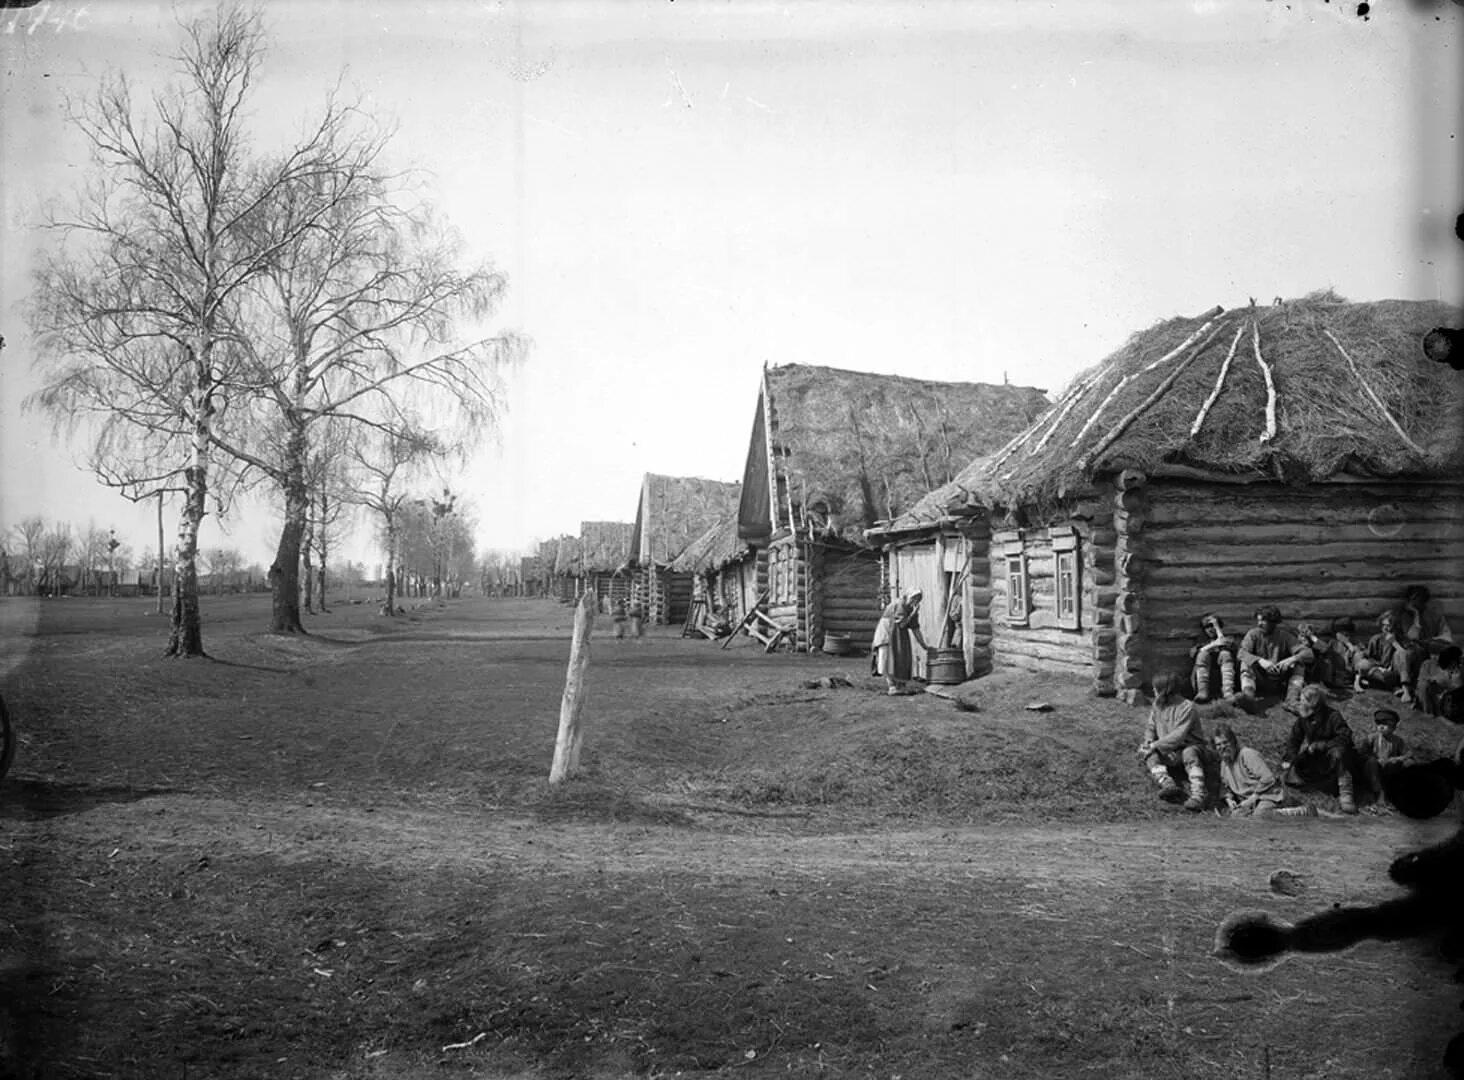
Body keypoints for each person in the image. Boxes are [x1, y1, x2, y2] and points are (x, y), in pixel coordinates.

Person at [1280, 684, 1357, 814]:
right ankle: (1321, 784)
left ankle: (1346, 793)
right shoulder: (1304, 717)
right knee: (1290, 778)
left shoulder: (1333, 716)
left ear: (1313, 703)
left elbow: (1345, 736)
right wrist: (1290, 759)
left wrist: (1324, 745)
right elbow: (1294, 739)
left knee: (1338, 754)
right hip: (1315, 754)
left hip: (1335, 753)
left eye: (1303, 700)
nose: (1300, 703)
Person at [1139, 671, 1209, 811]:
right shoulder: (1157, 705)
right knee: (1149, 754)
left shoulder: (1187, 707)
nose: (1153, 691)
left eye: (1155, 688)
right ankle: (1167, 783)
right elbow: (1151, 727)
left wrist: (1156, 745)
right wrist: (1148, 741)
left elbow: (1178, 735)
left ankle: (1198, 794)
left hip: (1189, 747)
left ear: (1164, 690)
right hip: (1168, 749)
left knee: (1189, 753)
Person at [1212, 723, 1316, 817]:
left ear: (1233, 742)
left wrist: (1252, 798)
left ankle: (1304, 811)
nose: (1223, 747)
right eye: (1219, 745)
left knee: (1260, 815)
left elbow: (1268, 778)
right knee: (1236, 817)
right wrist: (1229, 799)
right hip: (1249, 802)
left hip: (1269, 796)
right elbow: (1225, 786)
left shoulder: (1247, 754)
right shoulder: (1224, 764)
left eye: (1225, 743)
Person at [1394, 586, 1454, 707]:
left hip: (1431, 652)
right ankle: (1406, 690)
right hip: (1411, 656)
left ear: (1424, 601)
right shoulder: (1405, 616)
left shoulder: (1435, 616)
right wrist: (1416, 616)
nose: (1415, 603)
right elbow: (1412, 637)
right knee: (1404, 654)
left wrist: (1430, 641)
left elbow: (1448, 638)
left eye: (1419, 599)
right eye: (1412, 600)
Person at [1237, 605, 1311, 704]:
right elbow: (1241, 653)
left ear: (1273, 621)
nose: (1259, 624)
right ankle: (1248, 698)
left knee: (1299, 664)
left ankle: (1292, 700)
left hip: (1279, 679)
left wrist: (1291, 659)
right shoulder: (1253, 634)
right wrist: (1260, 660)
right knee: (1245, 662)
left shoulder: (1285, 636)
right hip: (1259, 678)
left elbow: (1308, 653)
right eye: (1258, 620)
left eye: (1263, 621)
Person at [872, 591, 928, 696]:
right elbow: (902, 624)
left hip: (899, 634)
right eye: (913, 598)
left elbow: (915, 629)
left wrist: (923, 645)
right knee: (889, 658)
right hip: (888, 631)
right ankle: (892, 686)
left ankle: (901, 686)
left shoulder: (912, 608)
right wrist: (912, 614)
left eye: (918, 599)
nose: (915, 601)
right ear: (908, 597)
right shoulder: (900, 604)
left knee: (903, 657)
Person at [1329, 614, 1402, 693]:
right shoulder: (1333, 644)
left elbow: (1363, 657)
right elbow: (1324, 650)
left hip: (1369, 672)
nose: (1346, 636)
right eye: (1343, 634)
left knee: (1363, 662)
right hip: (1341, 676)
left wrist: (1348, 644)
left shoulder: (1356, 644)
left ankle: (1391, 685)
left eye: (1347, 634)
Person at [1353, 708, 1408, 810]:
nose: (1381, 727)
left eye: (1385, 725)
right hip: (1372, 771)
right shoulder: (1372, 738)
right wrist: (1375, 759)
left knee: (1405, 766)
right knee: (1371, 762)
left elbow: (1408, 755)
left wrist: (1395, 759)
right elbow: (1361, 752)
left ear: (1393, 727)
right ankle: (1378, 793)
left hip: (1388, 770)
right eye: (1379, 724)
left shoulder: (1398, 741)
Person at [1190, 613, 1237, 703]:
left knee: (1225, 654)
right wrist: (1213, 645)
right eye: (1207, 627)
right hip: (1204, 674)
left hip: (1225, 673)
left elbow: (1227, 644)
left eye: (1213, 626)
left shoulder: (1227, 638)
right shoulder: (1201, 641)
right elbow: (1193, 653)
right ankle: (1202, 692)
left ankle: (1228, 692)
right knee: (1202, 655)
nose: (1210, 629)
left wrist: (1218, 629)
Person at [1417, 644, 1463, 720]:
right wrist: (1434, 679)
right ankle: (1429, 713)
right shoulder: (1428, 664)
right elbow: (1421, 679)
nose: (1435, 656)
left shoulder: (1457, 669)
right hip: (1431, 693)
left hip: (1448, 696)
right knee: (1424, 685)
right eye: (1433, 654)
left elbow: (1457, 686)